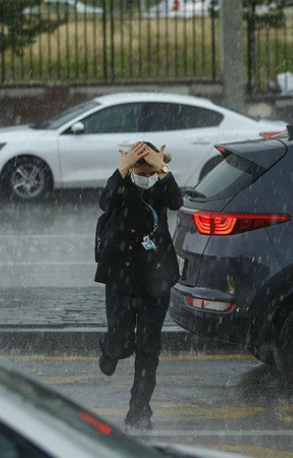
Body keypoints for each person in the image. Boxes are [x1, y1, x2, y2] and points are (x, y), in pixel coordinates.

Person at [94, 141, 183, 430]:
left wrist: (162, 168)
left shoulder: (161, 183)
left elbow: (177, 201)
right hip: (120, 274)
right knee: (122, 342)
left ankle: (140, 409)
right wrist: (122, 168)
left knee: (148, 347)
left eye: (148, 167)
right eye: (138, 166)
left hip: (156, 276)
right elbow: (105, 201)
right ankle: (111, 349)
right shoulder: (121, 184)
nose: (143, 172)